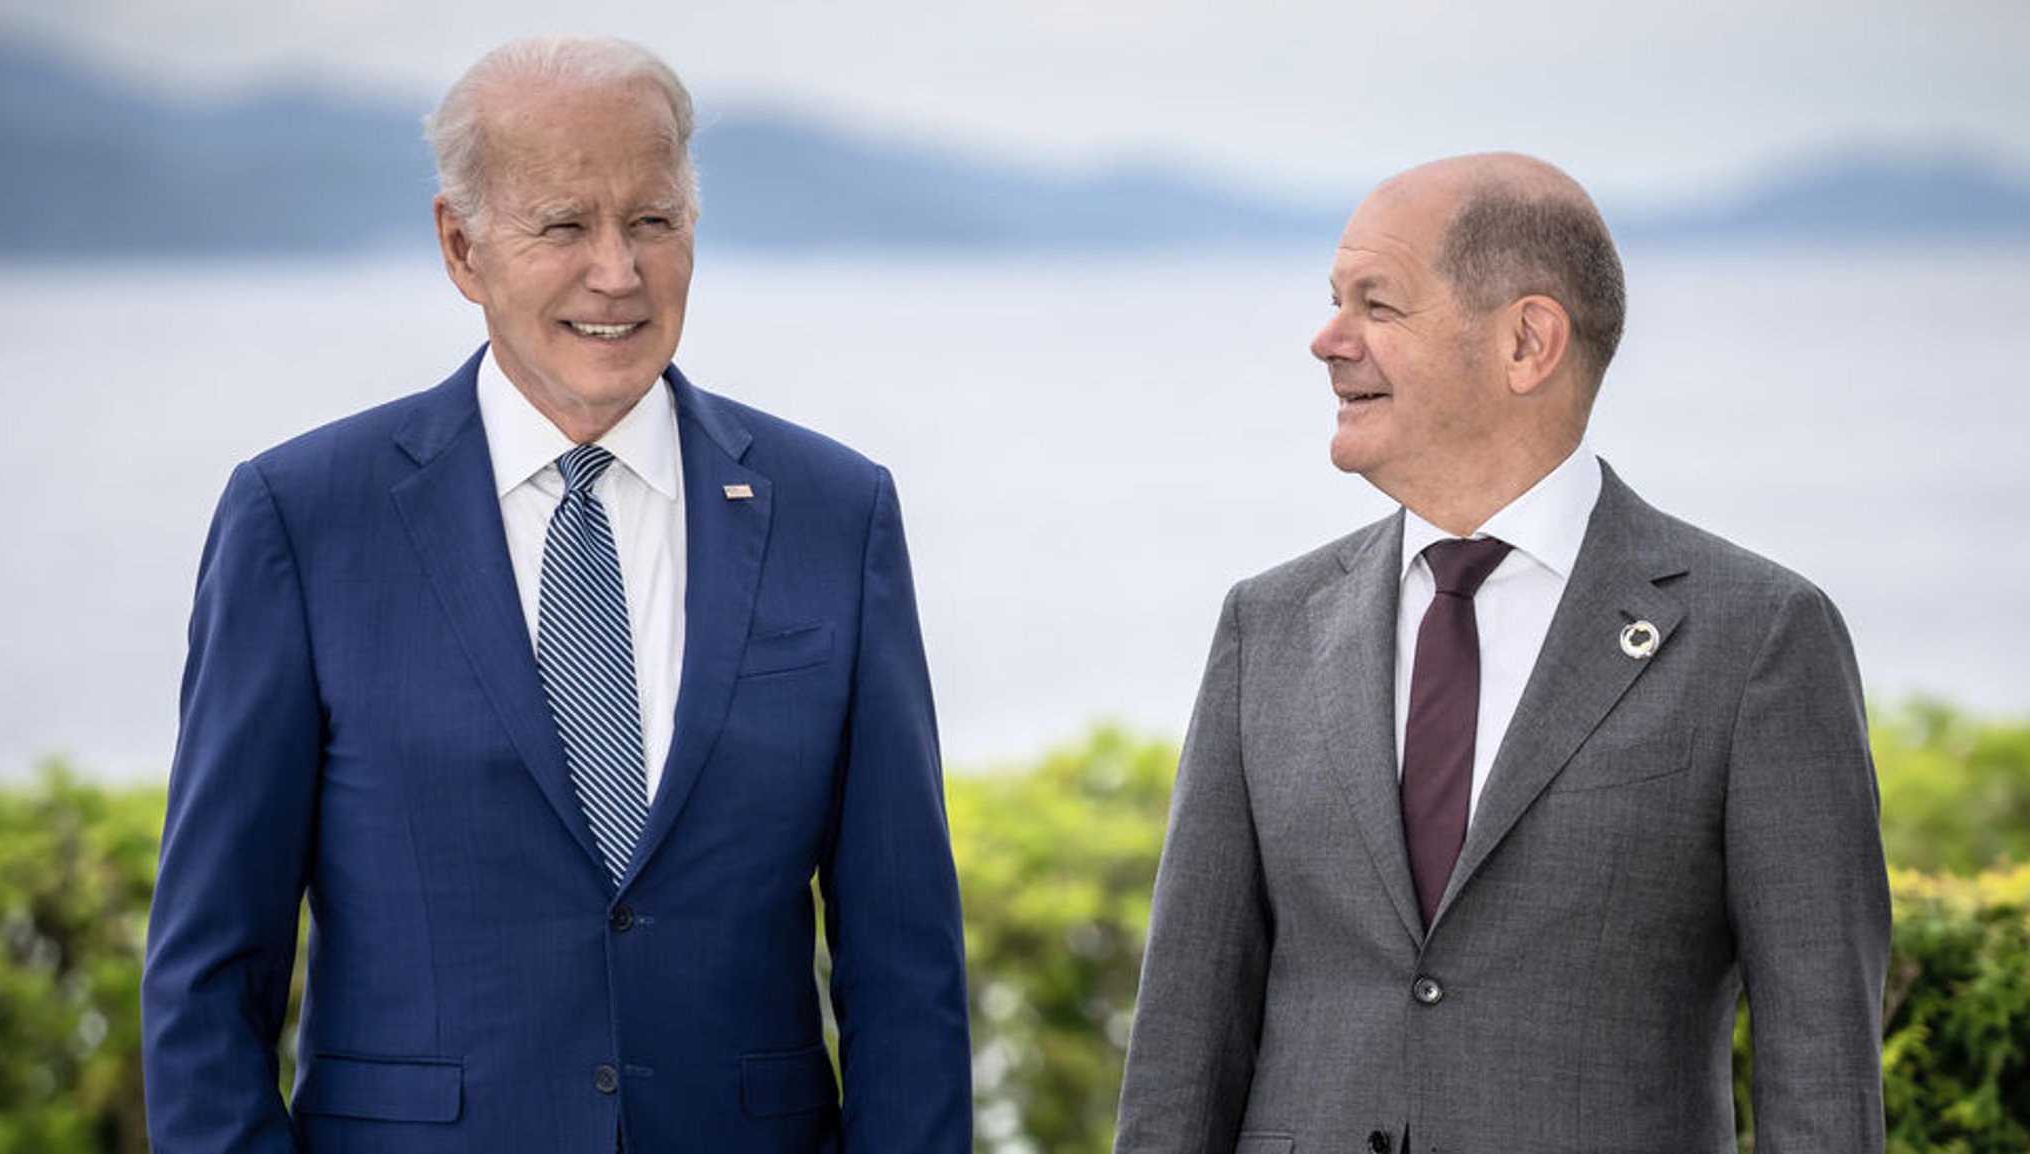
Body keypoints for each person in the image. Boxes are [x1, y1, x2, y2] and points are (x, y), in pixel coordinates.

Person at [140, 34, 971, 1154]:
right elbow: (207, 973)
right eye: (563, 224)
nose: (617, 273)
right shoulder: (302, 518)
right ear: (461, 245)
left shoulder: (835, 510)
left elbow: (904, 962)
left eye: (652, 220)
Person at [1114, 153, 1889, 1153]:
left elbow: (1819, 1072)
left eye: (1376, 305)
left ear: (1527, 341)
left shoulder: (1759, 638)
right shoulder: (1265, 624)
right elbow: (1184, 1043)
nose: (1325, 339)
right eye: (1332, 300)